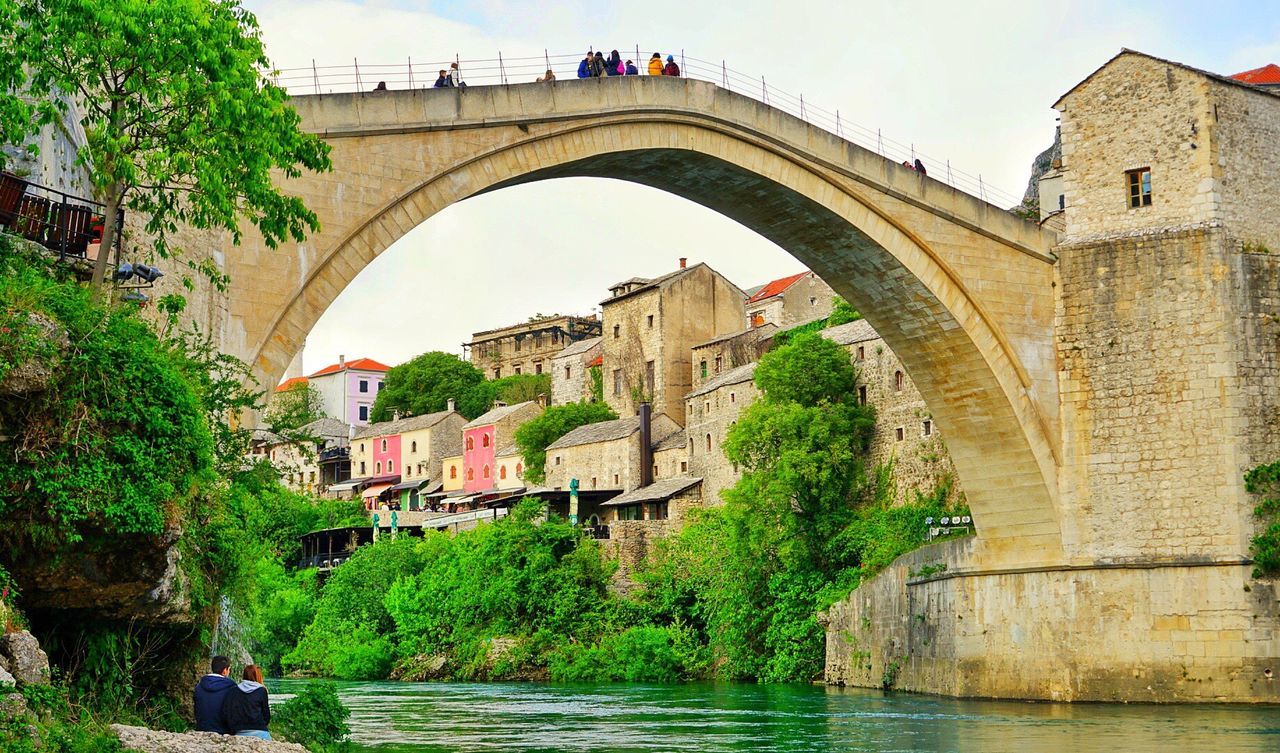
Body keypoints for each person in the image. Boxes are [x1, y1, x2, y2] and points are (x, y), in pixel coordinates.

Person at [220, 665, 272, 741]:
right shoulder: (261, 690)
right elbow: (266, 715)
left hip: (240, 731)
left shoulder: (234, 690)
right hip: (260, 730)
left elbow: (227, 712)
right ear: (258, 676)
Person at [193, 656, 237, 734]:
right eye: (229, 669)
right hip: (224, 733)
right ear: (224, 670)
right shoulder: (231, 688)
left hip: (201, 730)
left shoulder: (199, 686)